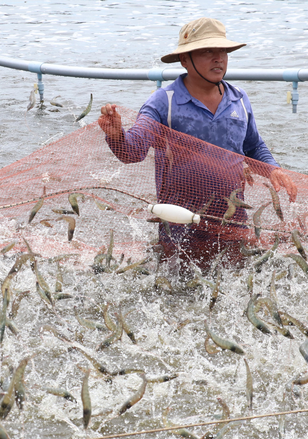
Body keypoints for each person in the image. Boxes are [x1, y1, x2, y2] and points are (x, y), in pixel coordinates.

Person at [98, 17, 297, 270]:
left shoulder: (239, 99)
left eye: (223, 51)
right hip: (179, 222)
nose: (218, 58)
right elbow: (133, 152)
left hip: (232, 218)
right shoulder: (163, 103)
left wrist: (273, 169)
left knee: (234, 283)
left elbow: (253, 147)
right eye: (207, 51)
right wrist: (116, 135)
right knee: (179, 285)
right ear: (185, 59)